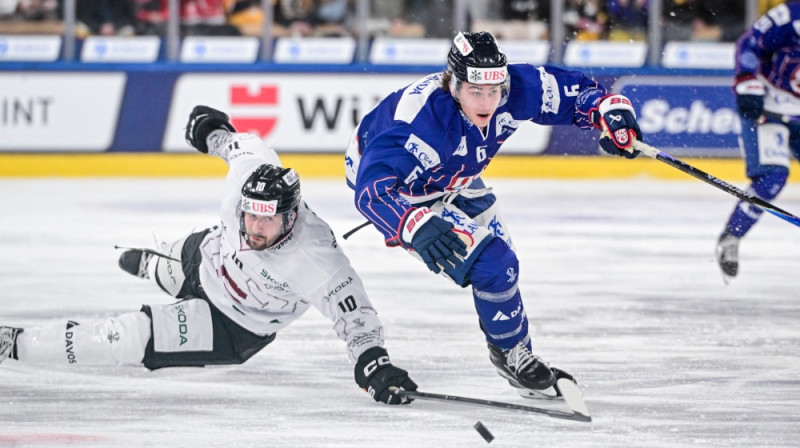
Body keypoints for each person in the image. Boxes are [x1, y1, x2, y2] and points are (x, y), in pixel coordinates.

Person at [0, 105, 417, 406]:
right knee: (150, 261)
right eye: (250, 215)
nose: (254, 228)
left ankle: (17, 345)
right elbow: (233, 143)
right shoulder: (250, 172)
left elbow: (355, 315)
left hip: (231, 324)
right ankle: (155, 265)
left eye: (267, 222)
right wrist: (209, 130)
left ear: (291, 218)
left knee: (124, 336)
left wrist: (372, 363)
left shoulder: (317, 257)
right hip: (202, 257)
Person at [344, 31, 642, 399]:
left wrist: (609, 112)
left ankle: (513, 353)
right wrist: (412, 224)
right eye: (475, 92)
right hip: (406, 190)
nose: (487, 102)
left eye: (494, 91)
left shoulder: (510, 88)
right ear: (452, 85)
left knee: (505, 264)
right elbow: (371, 192)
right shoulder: (420, 127)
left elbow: (575, 93)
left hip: (452, 175)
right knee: (494, 264)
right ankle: (512, 357)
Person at [717, 2, 800, 282]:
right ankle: (731, 237)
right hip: (769, 107)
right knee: (772, 179)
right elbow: (749, 45)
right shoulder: (789, 16)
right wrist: (746, 80)